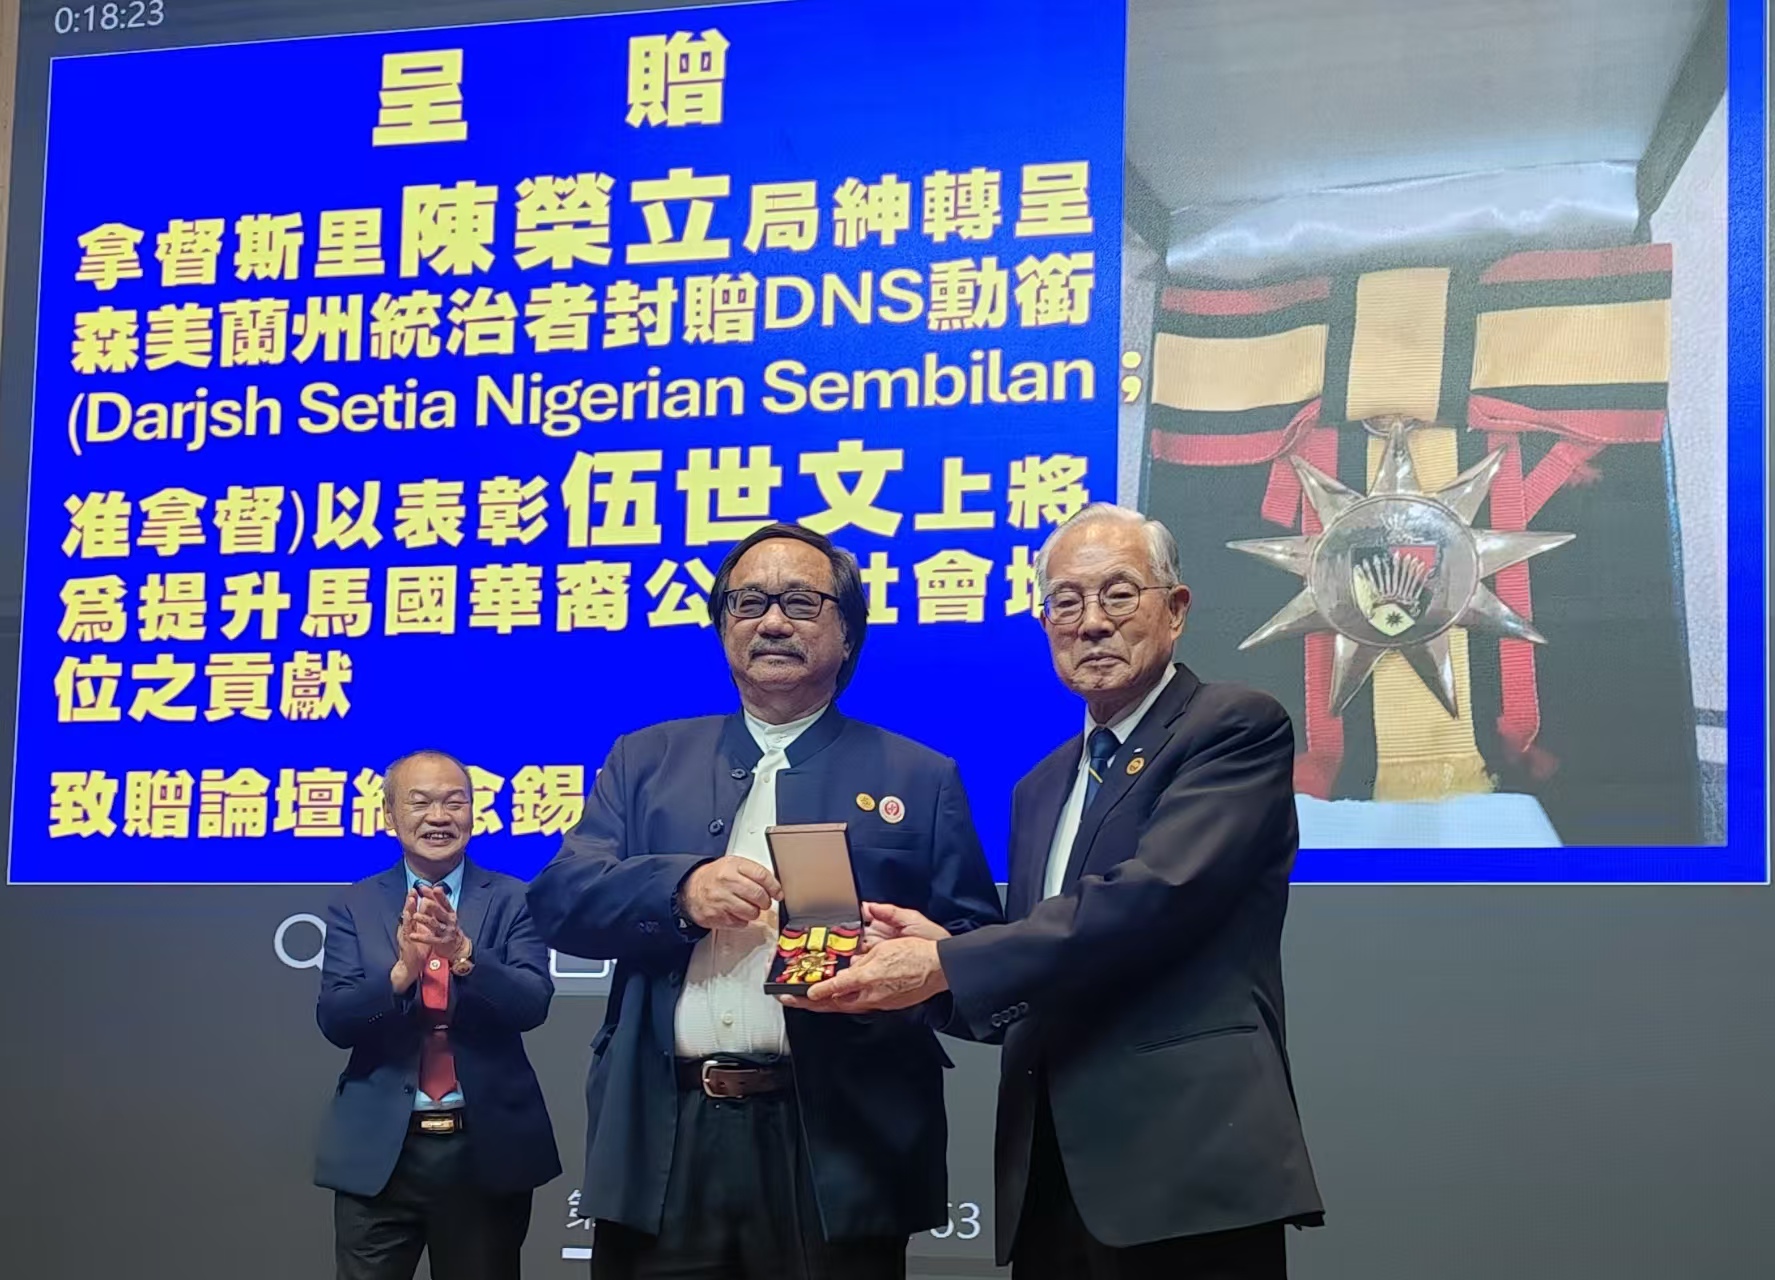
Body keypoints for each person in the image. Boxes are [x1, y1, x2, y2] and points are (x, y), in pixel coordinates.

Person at [792, 504, 1323, 1279]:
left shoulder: (1231, 727)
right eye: (1065, 602)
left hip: (1185, 1165)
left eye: (1118, 594)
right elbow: (1036, 978)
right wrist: (930, 967)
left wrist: (950, 961)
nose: (1091, 622)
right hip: (1049, 1177)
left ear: (1175, 610)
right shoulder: (1040, 787)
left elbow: (1151, 901)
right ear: (1044, 624)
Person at [526, 522, 1003, 1280]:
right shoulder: (645, 760)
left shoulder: (919, 777)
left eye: (801, 602)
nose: (772, 621)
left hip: (840, 1146)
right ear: (723, 627)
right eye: (748, 603)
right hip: (666, 1136)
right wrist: (680, 890)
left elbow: (977, 957)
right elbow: (559, 900)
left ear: (848, 632)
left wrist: (918, 963)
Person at [315, 749, 560, 1280]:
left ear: (474, 811)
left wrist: (464, 955)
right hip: (380, 1154)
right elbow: (335, 1019)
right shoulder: (355, 905)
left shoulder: (515, 899)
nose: (439, 817)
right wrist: (401, 975)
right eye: (420, 802)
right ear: (389, 815)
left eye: (454, 802)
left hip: (483, 1150)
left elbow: (531, 1003)